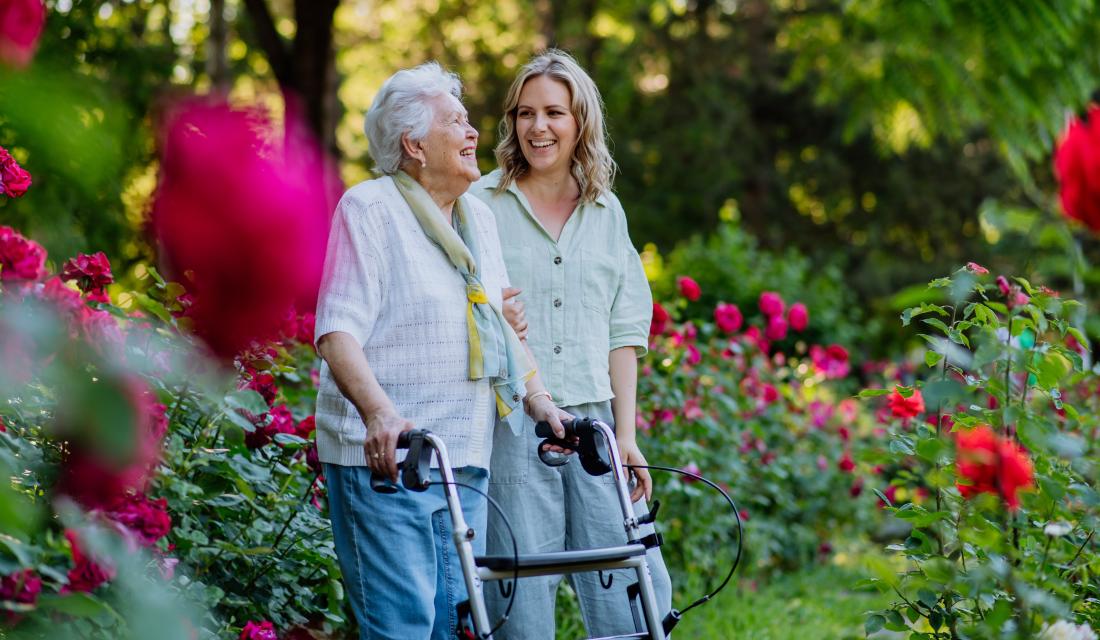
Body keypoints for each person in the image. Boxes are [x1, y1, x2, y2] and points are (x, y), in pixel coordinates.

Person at [313, 61, 568, 640]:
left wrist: (540, 400)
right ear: (415, 144)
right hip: (390, 463)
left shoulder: (476, 216)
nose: (475, 132)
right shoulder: (371, 209)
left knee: (459, 628)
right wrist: (379, 412)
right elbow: (337, 330)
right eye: (457, 121)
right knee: (404, 627)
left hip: (463, 460)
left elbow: (500, 328)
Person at [472, 49, 673, 639]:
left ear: (580, 120)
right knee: (519, 595)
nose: (538, 127)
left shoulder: (607, 213)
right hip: (513, 426)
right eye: (525, 113)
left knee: (631, 591)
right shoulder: (480, 206)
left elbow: (624, 332)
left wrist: (627, 436)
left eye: (554, 112)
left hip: (594, 426)